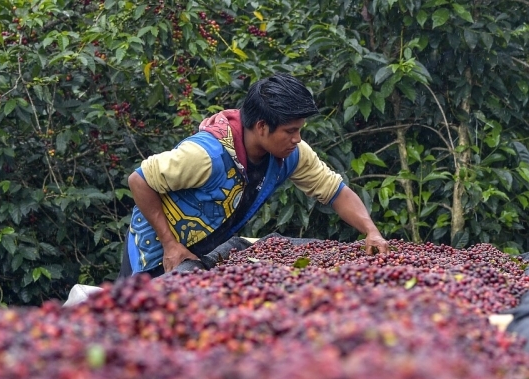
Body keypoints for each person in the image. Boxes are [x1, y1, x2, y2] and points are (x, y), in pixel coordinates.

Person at [119, 73, 388, 278]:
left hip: (202, 251)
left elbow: (334, 191)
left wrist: (370, 231)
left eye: (299, 130)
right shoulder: (205, 155)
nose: (298, 139)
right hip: (154, 252)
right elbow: (139, 180)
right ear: (261, 127)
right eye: (290, 131)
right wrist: (170, 245)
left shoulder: (292, 154)